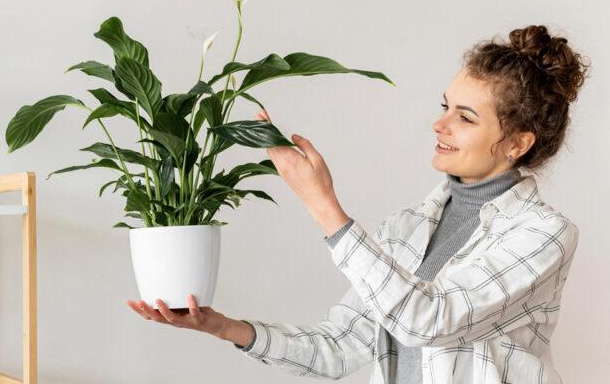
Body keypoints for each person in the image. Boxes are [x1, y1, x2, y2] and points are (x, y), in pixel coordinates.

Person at [126, 25, 588, 384]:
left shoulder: (542, 234)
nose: (439, 124)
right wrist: (222, 326)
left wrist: (323, 204)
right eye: (445, 106)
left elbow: (428, 320)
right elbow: (337, 348)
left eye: (465, 118)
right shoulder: (408, 227)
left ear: (518, 143)